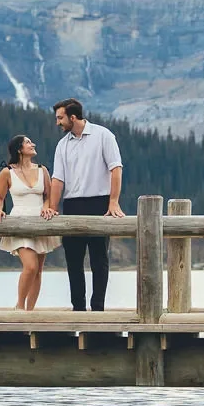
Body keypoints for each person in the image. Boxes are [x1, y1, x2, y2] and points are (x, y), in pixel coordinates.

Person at [47, 97, 123, 311]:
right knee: (73, 260)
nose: (57, 123)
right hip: (72, 205)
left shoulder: (103, 135)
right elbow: (57, 179)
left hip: (99, 203)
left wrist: (113, 202)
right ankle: (78, 308)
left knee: (99, 259)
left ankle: (98, 307)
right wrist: (53, 207)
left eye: (60, 118)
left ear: (73, 117)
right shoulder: (62, 145)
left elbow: (115, 169)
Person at [0, 134, 60, 311]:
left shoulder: (42, 170)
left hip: (41, 220)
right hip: (19, 220)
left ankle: (30, 311)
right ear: (19, 149)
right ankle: (20, 307)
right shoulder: (7, 172)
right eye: (28, 142)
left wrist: (47, 207)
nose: (33, 144)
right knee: (30, 266)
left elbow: (48, 196)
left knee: (38, 271)